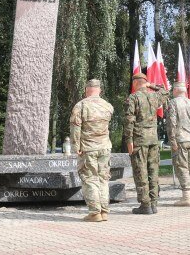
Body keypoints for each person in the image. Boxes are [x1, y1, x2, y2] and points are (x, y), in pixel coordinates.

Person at [124, 73, 170, 214]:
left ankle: (145, 204)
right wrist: (151, 85)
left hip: (139, 140)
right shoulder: (154, 96)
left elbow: (129, 120)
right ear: (145, 82)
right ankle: (154, 203)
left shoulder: (133, 98)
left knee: (141, 171)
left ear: (135, 83)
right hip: (153, 140)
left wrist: (129, 140)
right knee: (153, 171)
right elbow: (165, 91)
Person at [69, 79, 114, 222]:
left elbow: (75, 128)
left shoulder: (81, 105)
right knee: (103, 178)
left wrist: (76, 146)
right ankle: (104, 211)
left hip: (88, 148)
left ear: (86, 90)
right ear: (99, 90)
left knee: (90, 178)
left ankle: (95, 213)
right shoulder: (108, 106)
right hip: (105, 147)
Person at [166, 81, 190, 206]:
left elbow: (171, 123)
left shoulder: (173, 103)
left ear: (175, 90)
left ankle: (186, 197)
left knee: (182, 167)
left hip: (180, 139)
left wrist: (172, 140)